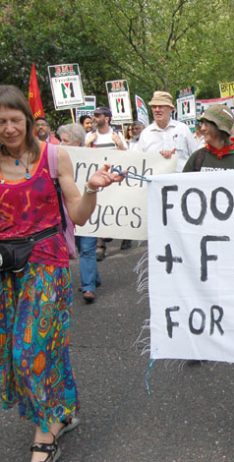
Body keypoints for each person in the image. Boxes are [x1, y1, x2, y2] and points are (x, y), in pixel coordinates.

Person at [0, 85, 122, 462]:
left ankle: (46, 432)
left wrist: (92, 188)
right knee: (39, 349)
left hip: (46, 265)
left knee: (28, 351)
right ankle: (64, 410)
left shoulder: (55, 157)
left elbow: (80, 215)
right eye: (0, 122)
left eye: (15, 119)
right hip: (6, 270)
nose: (8, 128)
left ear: (28, 120)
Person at [57, 123, 102, 304]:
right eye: (60, 140)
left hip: (89, 213)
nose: (60, 144)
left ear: (76, 143)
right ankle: (94, 277)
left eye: (65, 141)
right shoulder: (58, 160)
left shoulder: (91, 158)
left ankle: (88, 286)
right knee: (81, 248)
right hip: (68, 214)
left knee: (87, 249)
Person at [84, 106, 127, 259]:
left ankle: (116, 233)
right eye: (94, 115)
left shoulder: (116, 135)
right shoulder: (90, 136)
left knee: (112, 208)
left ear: (107, 118)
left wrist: (119, 145)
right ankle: (100, 245)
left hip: (113, 179)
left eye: (98, 115)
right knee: (98, 208)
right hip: (98, 178)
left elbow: (127, 157)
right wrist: (88, 145)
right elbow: (84, 159)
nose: (94, 118)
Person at [183, 104, 234, 172]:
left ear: (220, 128)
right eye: (202, 124)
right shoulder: (197, 157)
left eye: (206, 124)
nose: (202, 128)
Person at [135, 91, 196, 172]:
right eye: (154, 106)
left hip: (181, 181)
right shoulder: (145, 134)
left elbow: (195, 157)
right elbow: (139, 162)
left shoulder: (183, 129)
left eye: (160, 106)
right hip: (156, 182)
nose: (157, 110)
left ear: (171, 109)